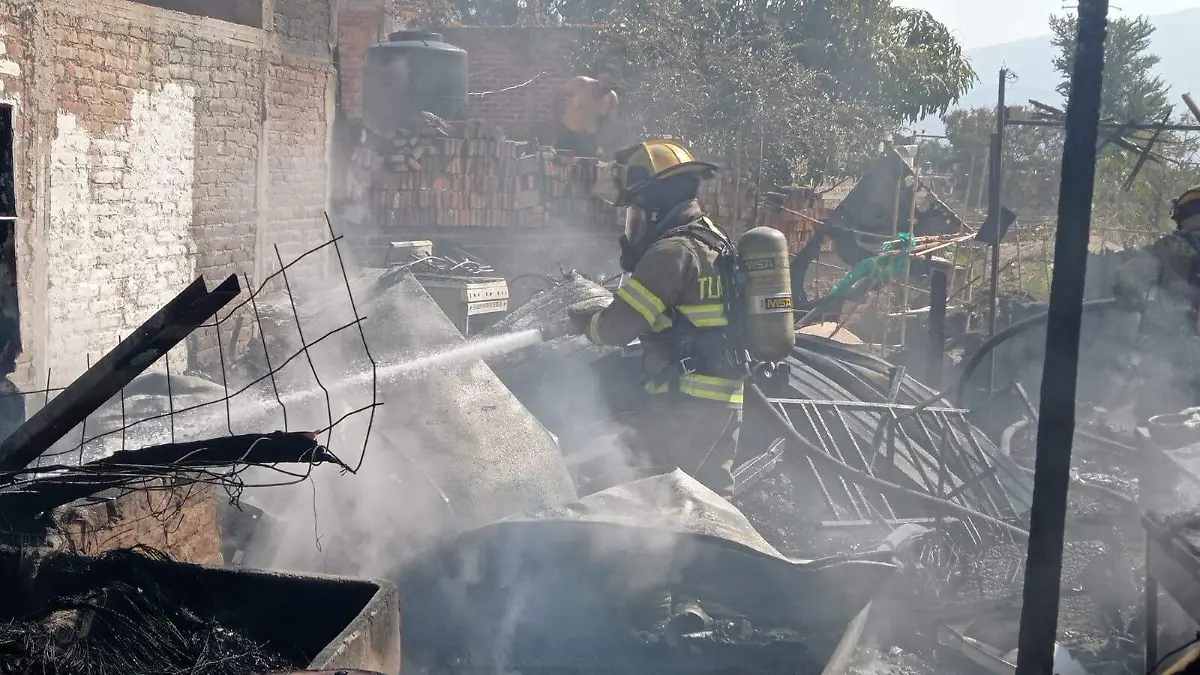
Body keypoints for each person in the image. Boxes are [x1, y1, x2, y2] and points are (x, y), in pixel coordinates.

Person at [564, 138, 744, 497]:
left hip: (683, 403)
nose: (633, 224)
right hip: (725, 401)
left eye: (635, 211)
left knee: (651, 496)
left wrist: (590, 324)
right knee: (709, 499)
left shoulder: (670, 252)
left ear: (656, 208)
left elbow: (618, 327)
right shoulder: (713, 239)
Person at [1112, 185, 1200, 425]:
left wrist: (1137, 302)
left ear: (1183, 216)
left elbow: (1123, 283)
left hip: (1174, 362)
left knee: (1156, 426)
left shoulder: (1170, 248)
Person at [552, 69, 619, 158]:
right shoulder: (581, 83)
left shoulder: (611, 99)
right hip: (567, 135)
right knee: (560, 167)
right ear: (598, 81)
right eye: (603, 86)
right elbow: (558, 94)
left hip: (589, 142)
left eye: (608, 88)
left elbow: (609, 125)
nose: (603, 90)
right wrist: (557, 122)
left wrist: (602, 145)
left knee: (587, 170)